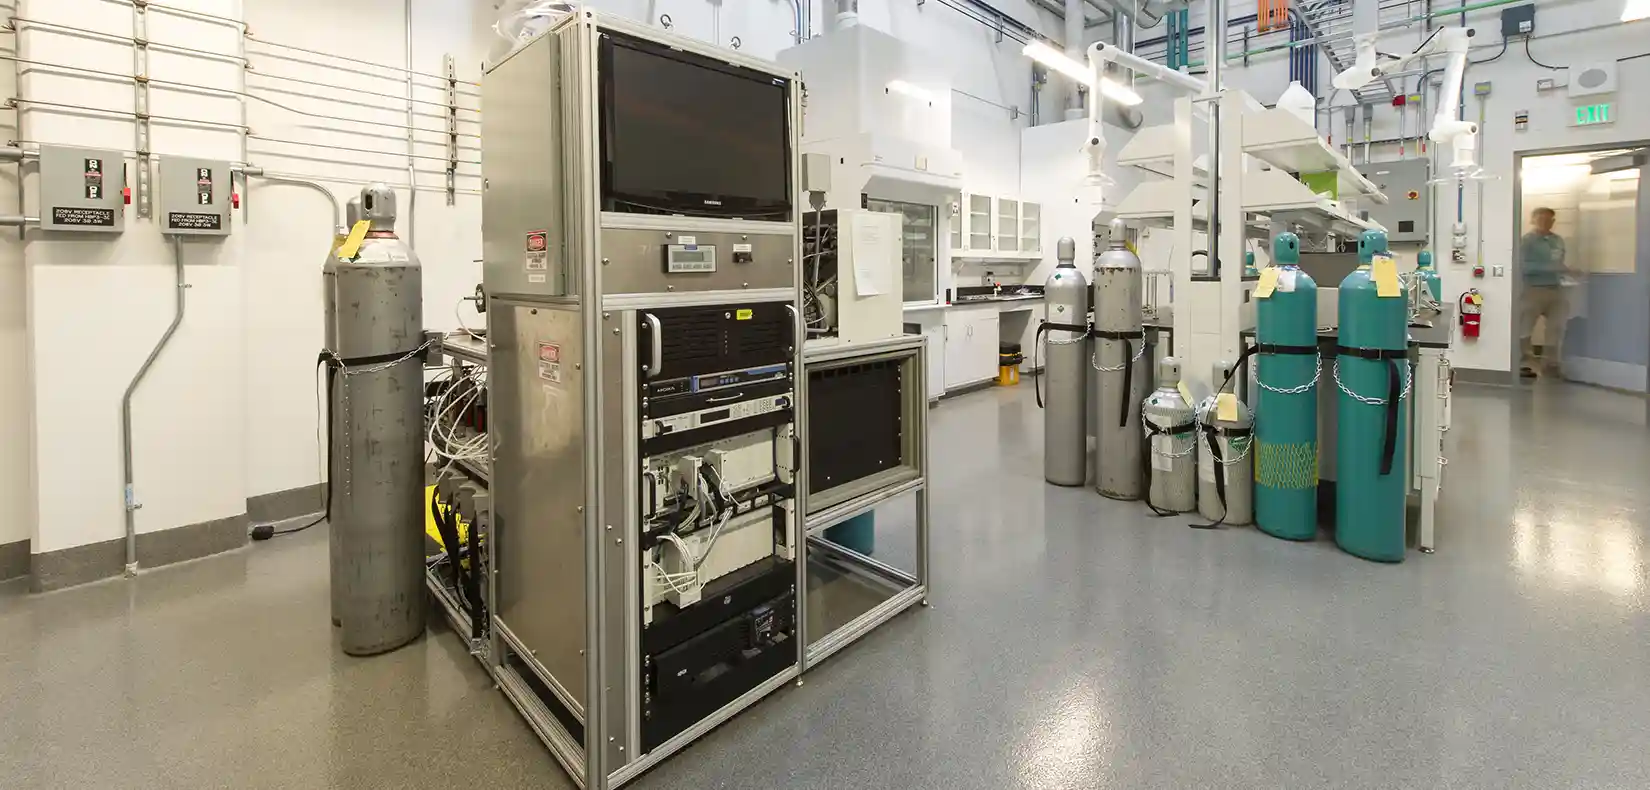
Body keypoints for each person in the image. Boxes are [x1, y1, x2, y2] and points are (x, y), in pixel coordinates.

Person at [1519, 207, 1570, 379]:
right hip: (1533, 289)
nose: (1545, 222)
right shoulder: (1527, 242)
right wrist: (1550, 268)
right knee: (1525, 327)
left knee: (1557, 327)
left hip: (1555, 289)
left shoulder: (1558, 241)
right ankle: (1526, 363)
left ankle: (1552, 364)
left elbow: (1560, 262)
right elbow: (1523, 266)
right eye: (1541, 218)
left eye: (1549, 219)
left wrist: (1565, 271)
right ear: (1533, 220)